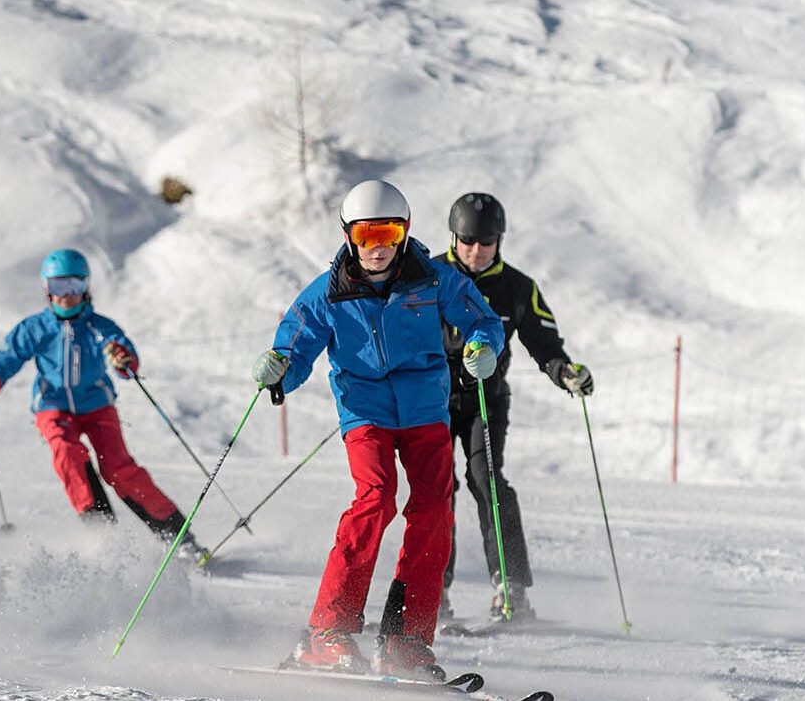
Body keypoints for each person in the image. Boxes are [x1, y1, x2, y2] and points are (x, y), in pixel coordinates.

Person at [250, 180, 504, 679]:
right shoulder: (328, 292)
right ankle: (329, 632)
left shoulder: (433, 279)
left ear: (404, 232)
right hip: (365, 409)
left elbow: (483, 321)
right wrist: (280, 365)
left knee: (434, 507)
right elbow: (295, 347)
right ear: (350, 236)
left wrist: (481, 348)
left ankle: (405, 641)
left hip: (425, 409)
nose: (378, 245)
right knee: (377, 496)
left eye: (388, 231)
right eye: (367, 234)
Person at [0, 249, 211, 562]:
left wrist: (123, 360)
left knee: (119, 469)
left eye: (75, 287)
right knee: (67, 452)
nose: (66, 296)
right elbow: (7, 360)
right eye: (58, 287)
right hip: (53, 407)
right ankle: (105, 535)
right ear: (46, 289)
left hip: (97, 407)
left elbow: (127, 362)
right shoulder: (34, 329)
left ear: (86, 287)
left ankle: (178, 536)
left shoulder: (100, 327)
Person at [436, 192, 593, 623]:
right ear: (454, 236)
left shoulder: (518, 288)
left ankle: (512, 589)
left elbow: (545, 344)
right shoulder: (430, 277)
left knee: (487, 480)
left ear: (499, 240)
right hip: (430, 398)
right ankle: (432, 591)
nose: (475, 250)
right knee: (436, 486)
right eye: (467, 239)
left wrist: (566, 373)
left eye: (485, 240)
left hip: (486, 399)